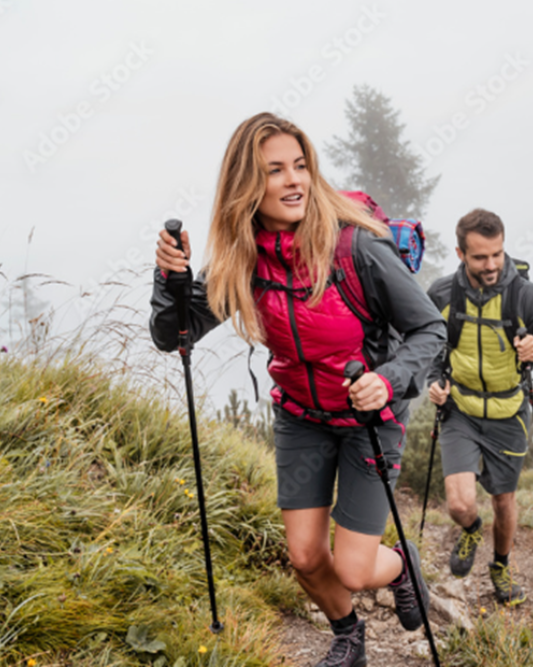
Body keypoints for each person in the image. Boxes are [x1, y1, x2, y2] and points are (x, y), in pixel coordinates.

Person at [149, 112, 446, 667]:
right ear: (246, 187)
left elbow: (430, 329)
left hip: (367, 420)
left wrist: (387, 381)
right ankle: (348, 636)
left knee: (356, 567)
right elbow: (177, 336)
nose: (293, 181)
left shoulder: (356, 249)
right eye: (274, 171)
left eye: (300, 167)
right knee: (307, 558)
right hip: (302, 416)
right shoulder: (243, 257)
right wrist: (171, 281)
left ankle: (402, 564)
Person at [426, 208, 533, 606]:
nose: (492, 264)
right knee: (460, 503)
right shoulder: (443, 294)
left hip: (509, 414)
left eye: (497, 253)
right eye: (480, 257)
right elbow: (423, 343)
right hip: (460, 410)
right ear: (461, 254)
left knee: (503, 500)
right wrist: (433, 381)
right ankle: (472, 528)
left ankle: (500, 564)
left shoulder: (525, 296)